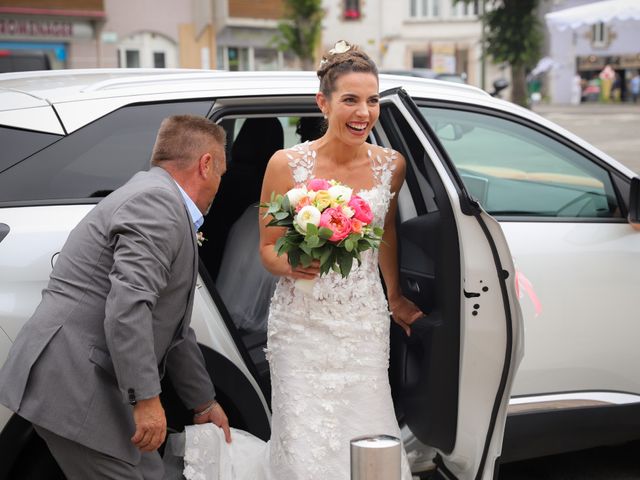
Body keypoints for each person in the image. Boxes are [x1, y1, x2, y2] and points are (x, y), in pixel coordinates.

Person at [178, 40, 423, 480]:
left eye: (372, 101)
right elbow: (268, 249)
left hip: (362, 321)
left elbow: (384, 232)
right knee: (304, 435)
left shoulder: (393, 165)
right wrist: (291, 266)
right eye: (350, 99)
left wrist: (395, 296)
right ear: (322, 103)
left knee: (367, 422)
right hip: (302, 323)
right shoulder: (286, 165)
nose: (363, 112)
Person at [0, 115, 231, 479]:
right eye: (221, 172)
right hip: (77, 384)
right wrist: (147, 399)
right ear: (205, 165)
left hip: (87, 379)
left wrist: (203, 402)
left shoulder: (157, 198)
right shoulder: (156, 206)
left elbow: (172, 328)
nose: (220, 185)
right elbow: (128, 308)